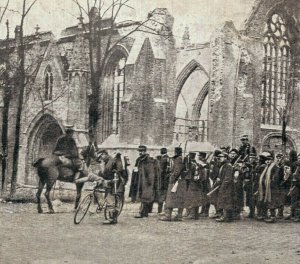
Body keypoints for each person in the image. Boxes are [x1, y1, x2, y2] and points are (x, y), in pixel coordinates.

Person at [134, 145, 161, 219]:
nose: (140, 153)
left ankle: (143, 213)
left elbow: (150, 172)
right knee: (144, 196)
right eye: (139, 151)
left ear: (145, 151)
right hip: (141, 180)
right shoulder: (140, 159)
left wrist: (149, 181)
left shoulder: (148, 160)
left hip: (146, 181)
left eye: (142, 151)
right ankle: (144, 212)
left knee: (145, 197)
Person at [159, 147, 185, 221]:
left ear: (176, 152)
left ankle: (168, 215)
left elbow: (177, 171)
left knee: (170, 198)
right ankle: (179, 215)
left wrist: (171, 178)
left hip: (175, 182)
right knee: (180, 198)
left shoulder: (178, 159)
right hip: (180, 181)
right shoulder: (181, 158)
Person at [215, 152, 234, 222]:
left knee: (226, 202)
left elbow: (227, 179)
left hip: (227, 187)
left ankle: (226, 217)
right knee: (224, 201)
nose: (219, 158)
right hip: (224, 186)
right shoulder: (224, 165)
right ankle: (225, 216)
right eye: (219, 157)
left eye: (221, 157)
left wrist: (222, 187)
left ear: (226, 157)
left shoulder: (228, 166)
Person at [157, 148, 171, 214]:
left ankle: (160, 210)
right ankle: (165, 209)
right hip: (167, 179)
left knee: (161, 194)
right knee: (166, 194)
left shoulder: (163, 159)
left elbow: (161, 170)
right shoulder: (168, 158)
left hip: (162, 179)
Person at [243, 152, 258, 218]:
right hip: (248, 184)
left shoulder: (256, 165)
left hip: (254, 184)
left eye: (253, 157)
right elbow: (245, 175)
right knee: (249, 199)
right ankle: (251, 212)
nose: (251, 159)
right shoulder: (247, 166)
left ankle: (254, 212)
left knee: (254, 199)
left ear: (255, 158)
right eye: (250, 157)